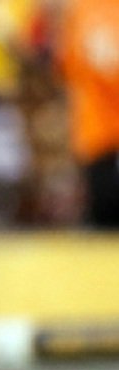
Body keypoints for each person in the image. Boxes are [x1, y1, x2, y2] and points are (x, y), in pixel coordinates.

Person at [56, 0, 119, 227]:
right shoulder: (82, 10)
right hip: (97, 135)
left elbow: (67, 67)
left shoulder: (80, 9)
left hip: (96, 133)